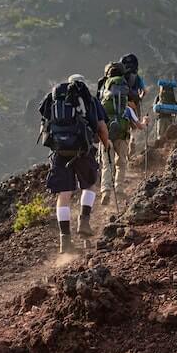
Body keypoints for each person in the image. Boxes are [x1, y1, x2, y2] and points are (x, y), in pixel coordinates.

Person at [39, 74, 109, 253]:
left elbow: (44, 125)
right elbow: (101, 127)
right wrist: (106, 145)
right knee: (90, 186)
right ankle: (84, 221)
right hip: (82, 150)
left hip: (59, 152)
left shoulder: (53, 100)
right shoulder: (89, 100)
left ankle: (65, 241)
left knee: (63, 196)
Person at [121, 53, 147, 157]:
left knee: (123, 126)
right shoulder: (137, 77)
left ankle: (124, 146)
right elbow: (144, 91)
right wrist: (139, 97)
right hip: (135, 104)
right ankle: (132, 141)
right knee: (135, 126)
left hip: (123, 103)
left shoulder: (121, 77)